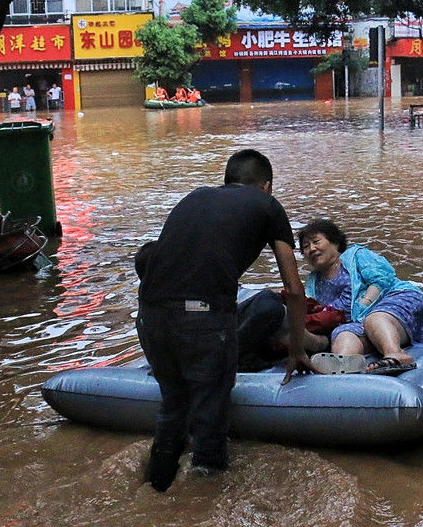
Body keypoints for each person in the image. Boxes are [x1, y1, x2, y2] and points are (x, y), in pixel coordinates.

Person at [135, 149, 316, 491]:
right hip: (202, 318)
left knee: (173, 410)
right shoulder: (268, 205)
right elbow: (293, 290)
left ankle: (155, 491)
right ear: (266, 186)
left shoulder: (195, 197)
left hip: (149, 316)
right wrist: (296, 349)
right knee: (210, 421)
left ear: (228, 180)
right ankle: (203, 504)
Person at [299, 218, 423, 374]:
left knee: (374, 318)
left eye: (316, 242)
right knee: (342, 334)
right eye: (306, 246)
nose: (311, 249)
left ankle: (396, 354)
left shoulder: (355, 255)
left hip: (396, 300)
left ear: (335, 242)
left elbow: (382, 278)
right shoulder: (313, 282)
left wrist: (365, 302)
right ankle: (345, 365)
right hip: (359, 321)